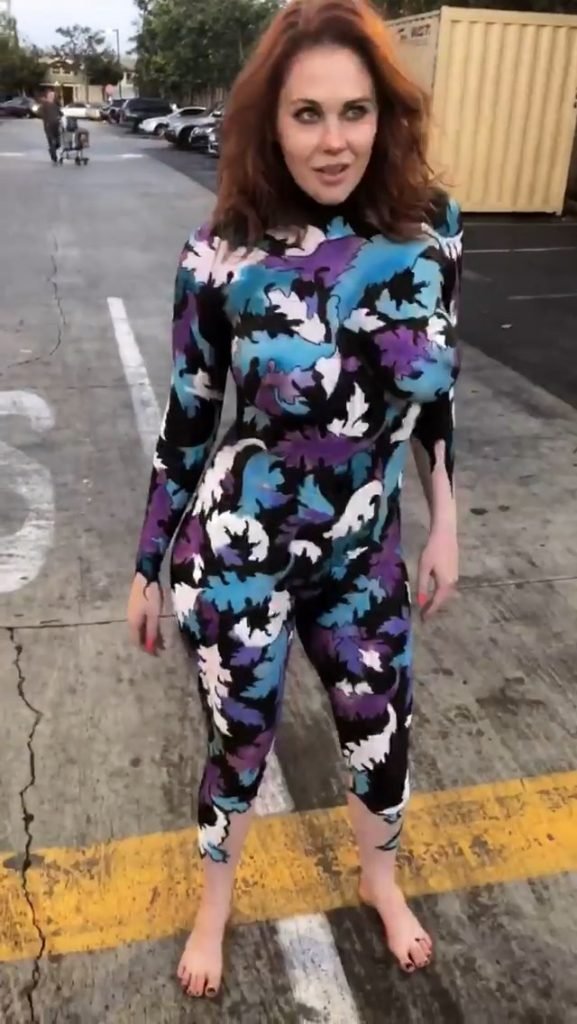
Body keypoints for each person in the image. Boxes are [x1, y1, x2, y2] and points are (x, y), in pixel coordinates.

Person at [127, 0, 462, 1000]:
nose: (333, 140)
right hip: (241, 550)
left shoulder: (433, 233)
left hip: (365, 555)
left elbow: (436, 392)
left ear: (383, 116)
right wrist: (147, 564)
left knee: (382, 733)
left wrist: (444, 520)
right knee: (240, 741)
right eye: (306, 114)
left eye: (354, 111)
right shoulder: (221, 253)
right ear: (269, 123)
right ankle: (214, 906)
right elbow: (190, 418)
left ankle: (379, 882)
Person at [40, 89, 62, 164]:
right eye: (50, 95)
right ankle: (54, 157)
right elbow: (41, 114)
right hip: (48, 126)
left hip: (56, 125)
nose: (52, 96)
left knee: (58, 143)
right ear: (47, 96)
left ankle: (52, 150)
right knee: (52, 141)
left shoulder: (56, 104)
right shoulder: (44, 105)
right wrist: (46, 122)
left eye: (53, 95)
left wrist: (59, 117)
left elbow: (60, 113)